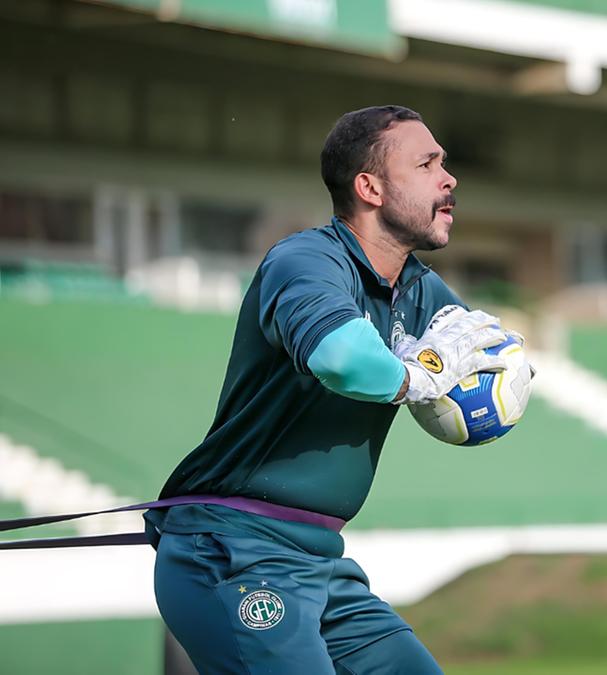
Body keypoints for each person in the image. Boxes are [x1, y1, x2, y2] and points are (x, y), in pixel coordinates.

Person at [146, 105, 509, 674]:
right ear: (370, 188)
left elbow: (481, 356)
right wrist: (417, 375)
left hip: (318, 562)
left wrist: (505, 369)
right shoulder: (306, 260)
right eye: (427, 164)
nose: (449, 178)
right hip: (231, 550)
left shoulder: (420, 287)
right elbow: (339, 359)